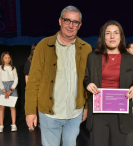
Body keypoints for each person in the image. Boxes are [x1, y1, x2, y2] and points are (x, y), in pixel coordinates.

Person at [25, 6, 92, 146]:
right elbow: (33, 82)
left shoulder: (86, 48)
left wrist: (85, 106)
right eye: (67, 20)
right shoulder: (44, 46)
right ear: (60, 21)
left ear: (80, 25)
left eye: (75, 22)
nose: (71, 25)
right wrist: (30, 111)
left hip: (75, 114)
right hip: (49, 114)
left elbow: (87, 80)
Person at [83, 20, 133, 146]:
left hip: (120, 112)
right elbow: (86, 78)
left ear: (121, 36)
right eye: (108, 33)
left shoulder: (129, 59)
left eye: (116, 33)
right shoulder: (93, 57)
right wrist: (88, 83)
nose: (112, 37)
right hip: (98, 112)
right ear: (103, 37)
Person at [0, 52, 18, 132]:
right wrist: (4, 90)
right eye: (6, 58)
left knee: (12, 107)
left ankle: (13, 124)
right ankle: (1, 125)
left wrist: (11, 90)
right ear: (3, 59)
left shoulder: (13, 68)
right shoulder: (0, 67)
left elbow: (16, 79)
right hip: (3, 86)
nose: (7, 59)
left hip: (12, 87)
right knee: (2, 107)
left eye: (9, 57)